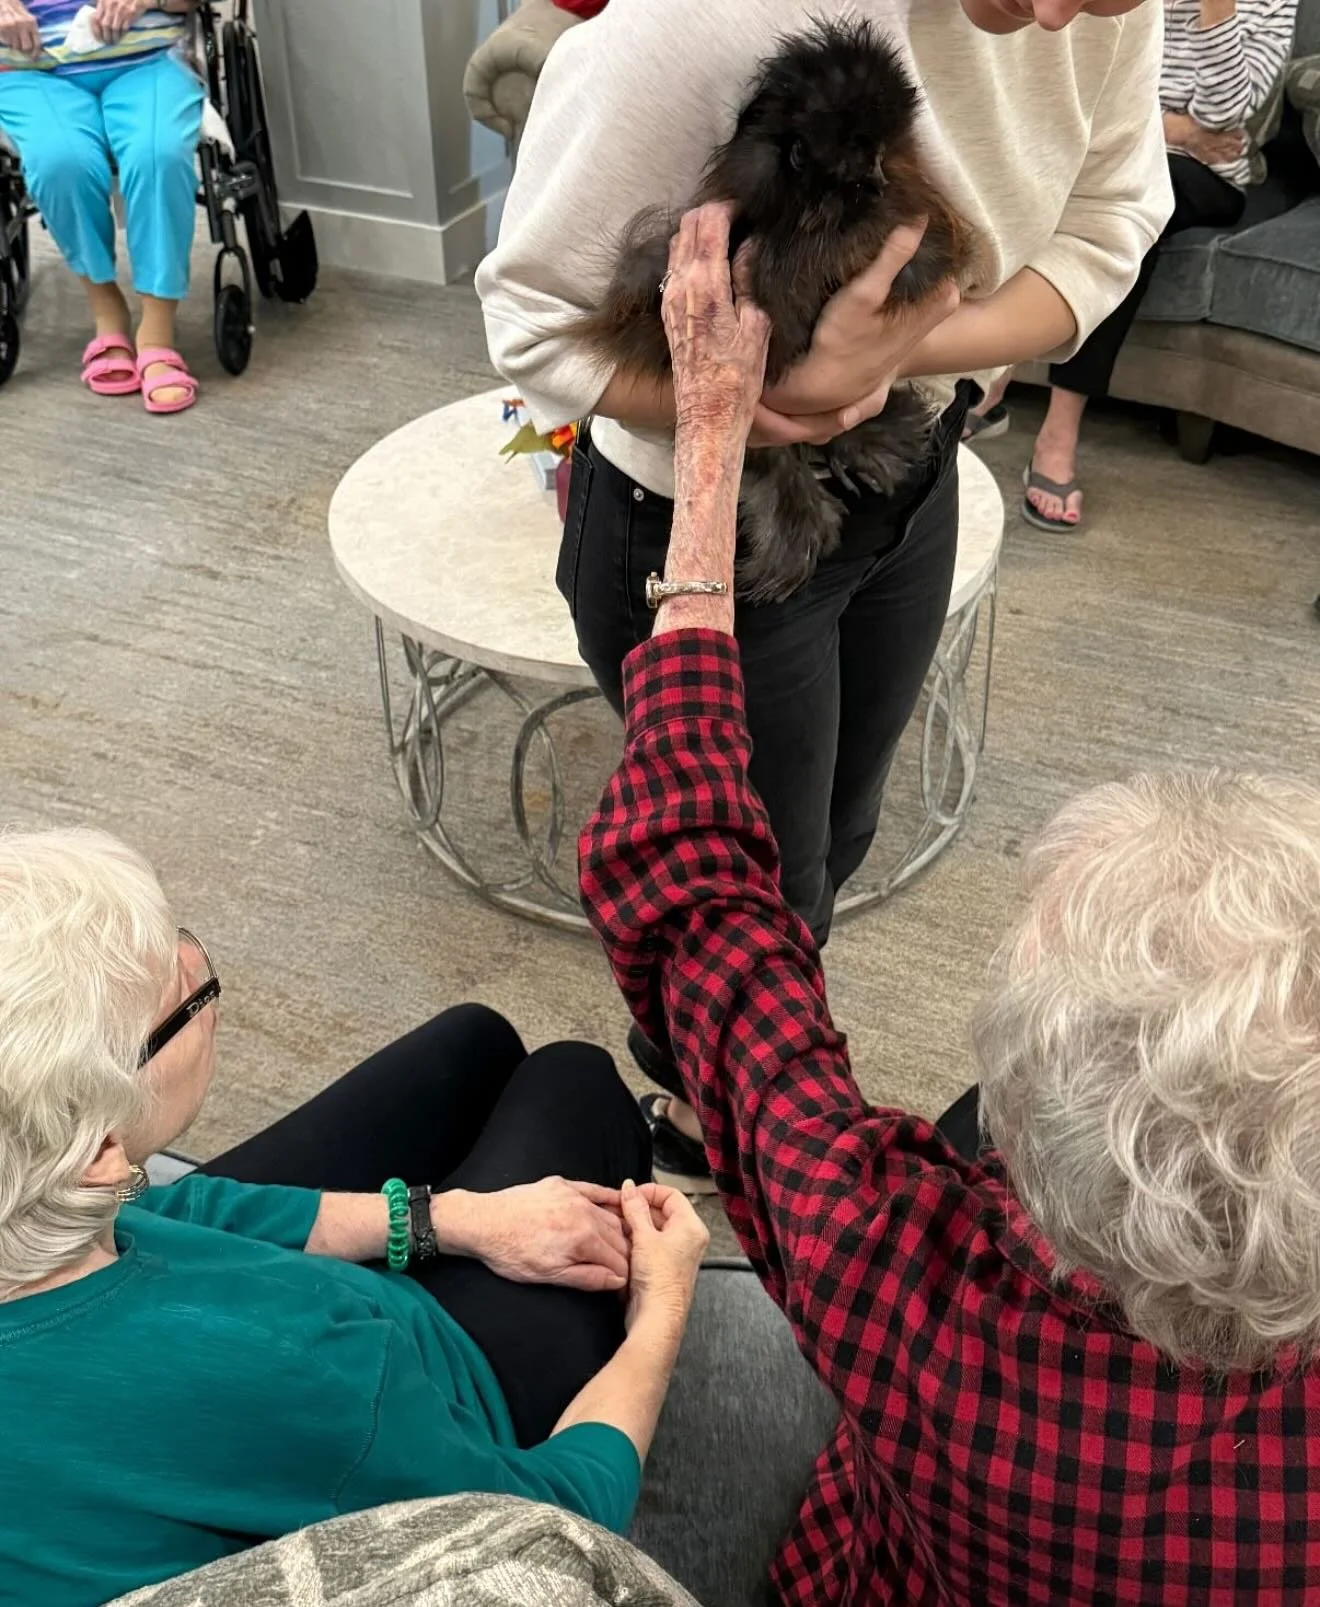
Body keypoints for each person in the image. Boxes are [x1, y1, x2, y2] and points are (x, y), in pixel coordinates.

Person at [580, 198, 1320, 1606]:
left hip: (895, 1561)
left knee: (978, 1123)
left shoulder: (903, 1276)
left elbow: (698, 901)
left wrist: (708, 473)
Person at [477, 0, 1173, 1188]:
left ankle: (732, 1104)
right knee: (750, 889)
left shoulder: (1119, 13)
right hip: (707, 523)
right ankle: (702, 1121)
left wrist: (893, 362)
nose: (1062, 16)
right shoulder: (698, 27)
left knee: (836, 837)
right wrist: (746, 400)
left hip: (907, 468)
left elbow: (1112, 224)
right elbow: (533, 326)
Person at [0, 827, 710, 1607]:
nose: (196, 969)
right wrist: (663, 1307)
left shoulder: (66, 1204)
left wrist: (450, 1219)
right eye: (177, 996)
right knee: (575, 1079)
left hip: (259, 1356)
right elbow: (547, 1523)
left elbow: (172, 1207)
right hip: (430, 1393)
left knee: (475, 1042)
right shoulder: (301, 1363)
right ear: (100, 1150)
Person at [969, 0, 1302, 528]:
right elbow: (1095, 97)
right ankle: (994, 376)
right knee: (1075, 193)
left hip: (1206, 176)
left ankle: (1049, 429)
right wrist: (1179, 129)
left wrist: (1218, 12)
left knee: (1130, 218)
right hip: (1114, 152)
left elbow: (1224, 116)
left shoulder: (1275, 4)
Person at [0, 0, 205, 411]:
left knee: (159, 156)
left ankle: (157, 331)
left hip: (147, 60)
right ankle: (106, 306)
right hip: (29, 70)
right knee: (61, 163)